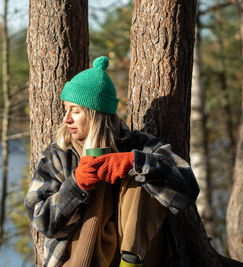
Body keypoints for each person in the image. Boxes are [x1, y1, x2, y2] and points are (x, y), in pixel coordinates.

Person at [24, 56, 199, 267]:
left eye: (75, 111)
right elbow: (41, 220)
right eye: (66, 109)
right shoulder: (59, 154)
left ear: (96, 114)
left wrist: (136, 162)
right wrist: (76, 185)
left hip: (141, 258)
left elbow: (188, 189)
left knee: (143, 171)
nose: (66, 119)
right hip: (80, 259)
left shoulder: (138, 145)